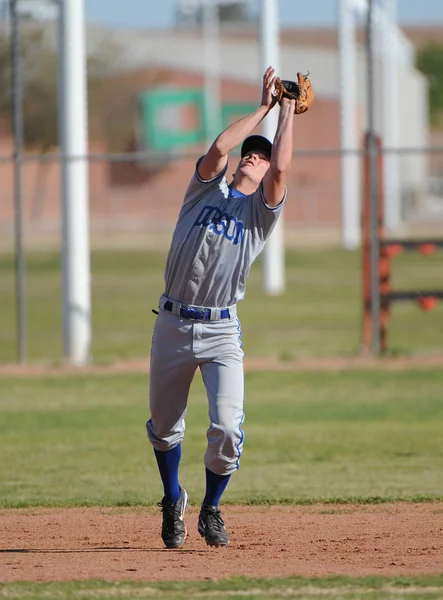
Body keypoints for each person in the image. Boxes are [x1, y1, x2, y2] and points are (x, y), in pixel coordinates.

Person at [146, 65, 296, 549]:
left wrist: (289, 112)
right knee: (165, 427)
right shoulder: (203, 192)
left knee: (227, 429)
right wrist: (264, 109)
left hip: (220, 332)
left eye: (261, 157)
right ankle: (173, 499)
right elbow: (218, 147)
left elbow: (283, 169)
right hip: (171, 323)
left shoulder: (259, 217)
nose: (254, 157)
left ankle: (211, 508)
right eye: (250, 153)